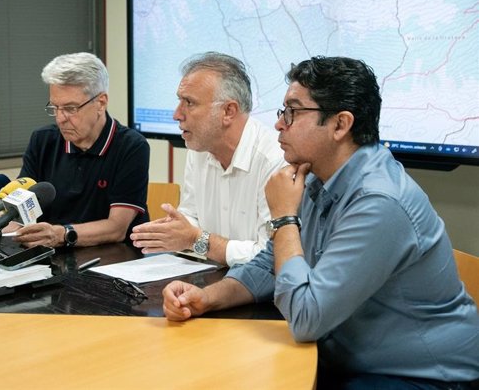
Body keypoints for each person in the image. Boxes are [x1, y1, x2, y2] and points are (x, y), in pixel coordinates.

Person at [161, 56, 479, 389]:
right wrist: (206, 298)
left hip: (418, 374)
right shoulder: (317, 176)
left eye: (293, 112)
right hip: (346, 353)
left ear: (340, 125)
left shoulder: (380, 202)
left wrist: (284, 218)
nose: (279, 125)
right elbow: (271, 263)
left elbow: (306, 318)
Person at [130, 52, 285, 266]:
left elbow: (271, 256)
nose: (177, 114)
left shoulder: (274, 161)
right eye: (179, 101)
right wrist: (174, 230)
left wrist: (195, 239)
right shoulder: (199, 148)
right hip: (211, 277)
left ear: (228, 111)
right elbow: (191, 217)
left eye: (189, 103)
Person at [8, 52, 149, 248]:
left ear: (100, 102)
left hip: (113, 262)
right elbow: (22, 213)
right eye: (55, 107)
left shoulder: (132, 147)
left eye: (70, 108)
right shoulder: (42, 140)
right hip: (50, 259)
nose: (60, 118)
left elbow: (116, 228)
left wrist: (60, 234)